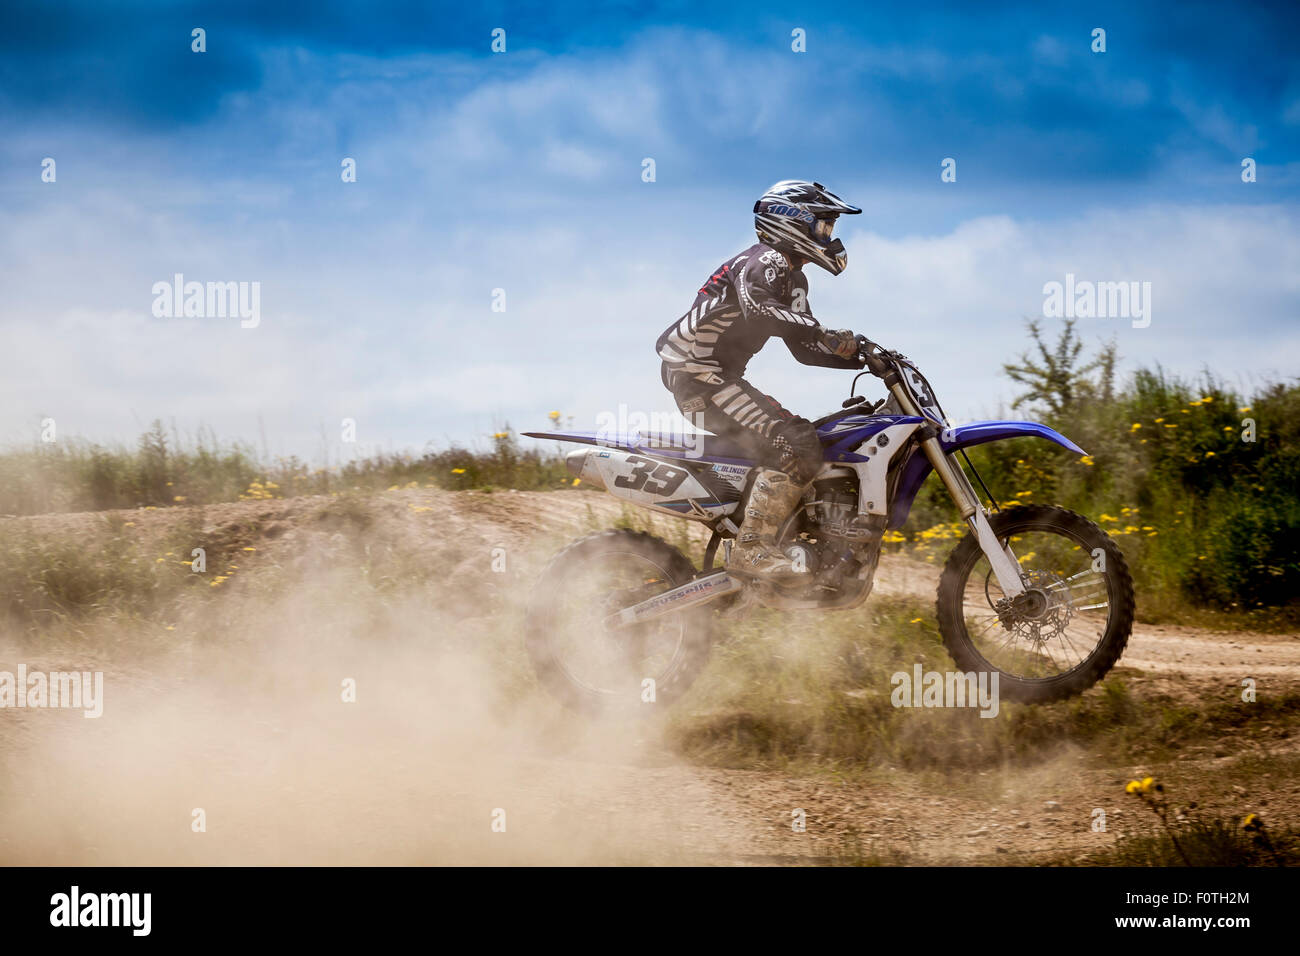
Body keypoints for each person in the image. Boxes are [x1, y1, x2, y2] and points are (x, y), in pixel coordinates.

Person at [655, 180, 867, 578]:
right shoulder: (764, 260)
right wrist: (825, 333)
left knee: (810, 438)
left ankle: (779, 536)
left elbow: (804, 348)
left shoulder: (794, 279)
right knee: (796, 441)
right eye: (824, 227)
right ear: (792, 221)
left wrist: (863, 358)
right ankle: (752, 549)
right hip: (699, 377)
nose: (829, 237)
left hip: (719, 378)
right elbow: (760, 311)